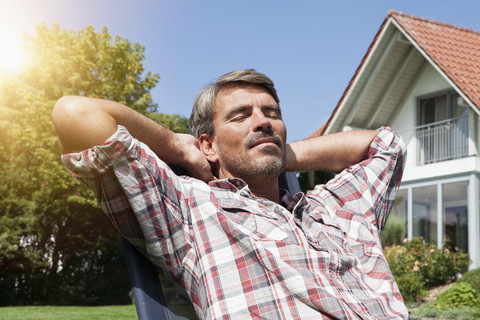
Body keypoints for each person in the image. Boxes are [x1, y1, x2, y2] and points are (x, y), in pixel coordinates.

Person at [52, 69, 408, 319]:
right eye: (241, 117)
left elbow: (387, 146)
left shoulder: (332, 207)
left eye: (271, 114)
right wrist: (176, 145)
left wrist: (279, 153)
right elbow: (75, 114)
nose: (263, 121)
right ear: (208, 144)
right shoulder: (189, 210)